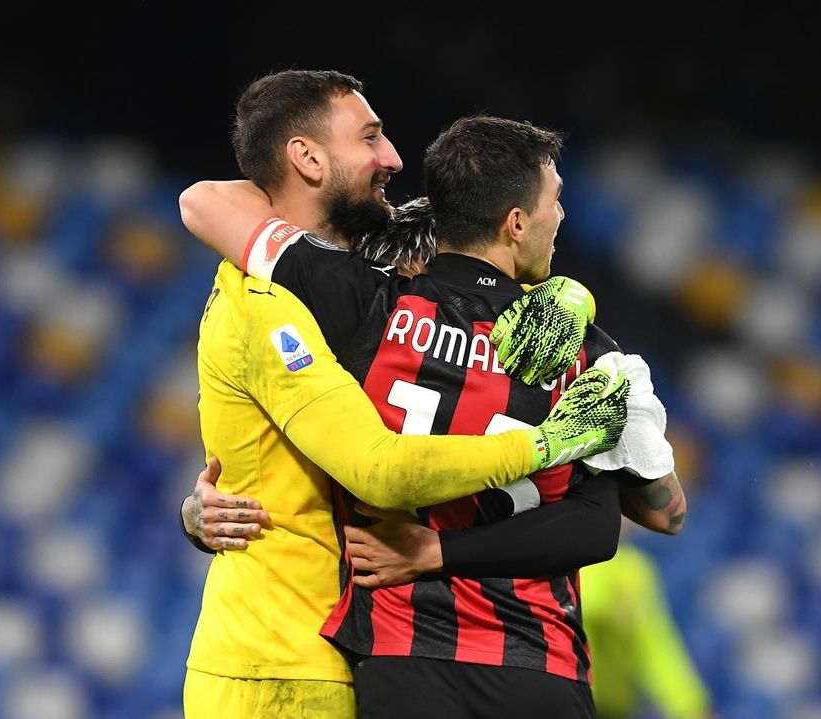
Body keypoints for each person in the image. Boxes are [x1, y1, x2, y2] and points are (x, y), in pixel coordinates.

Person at [182, 104, 687, 718]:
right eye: (555, 200)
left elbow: (204, 202)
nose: (562, 214)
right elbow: (648, 515)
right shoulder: (585, 352)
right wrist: (583, 365)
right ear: (517, 221)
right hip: (537, 662)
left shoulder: (364, 307)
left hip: (401, 661)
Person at [581, 521, 714, 719]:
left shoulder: (634, 571)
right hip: (567, 701)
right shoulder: (555, 562)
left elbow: (655, 644)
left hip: (610, 708)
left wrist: (691, 708)